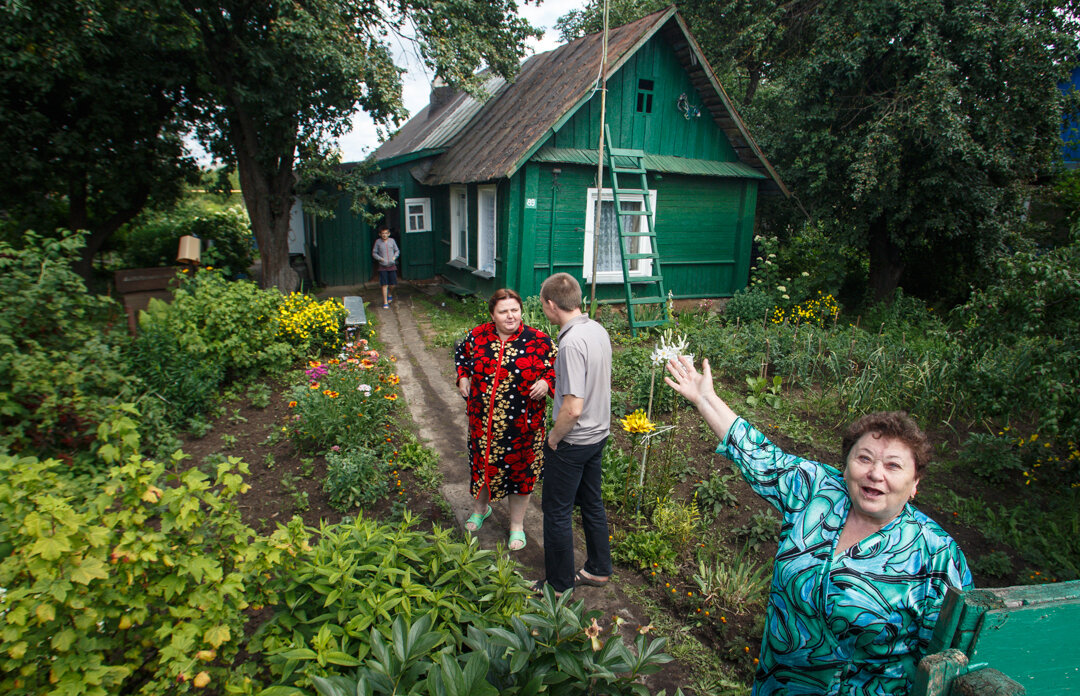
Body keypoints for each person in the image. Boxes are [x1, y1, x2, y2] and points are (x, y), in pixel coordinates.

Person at [664, 355, 973, 695]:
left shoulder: (936, 556)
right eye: (864, 458)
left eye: (893, 465)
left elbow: (947, 662)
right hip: (778, 686)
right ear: (846, 466)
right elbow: (758, 454)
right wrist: (705, 397)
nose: (875, 473)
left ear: (915, 483)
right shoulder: (818, 493)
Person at [454, 289, 555, 551]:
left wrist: (547, 381)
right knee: (481, 465)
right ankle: (480, 509)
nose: (510, 316)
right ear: (492, 315)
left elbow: (558, 368)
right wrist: (463, 377)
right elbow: (462, 356)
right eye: (503, 311)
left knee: (520, 475)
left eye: (514, 310)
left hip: (523, 426)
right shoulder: (477, 336)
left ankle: (517, 526)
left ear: (521, 311)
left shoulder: (539, 341)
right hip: (482, 422)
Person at [536, 273, 613, 594]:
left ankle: (558, 586)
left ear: (552, 305)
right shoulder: (596, 329)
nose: (543, 310)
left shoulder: (569, 343)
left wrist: (553, 439)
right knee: (592, 502)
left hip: (574, 441)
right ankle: (597, 568)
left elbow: (572, 408)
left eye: (543, 305)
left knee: (556, 512)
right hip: (598, 436)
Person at [372, 227, 399, 309]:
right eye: (382, 233)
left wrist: (394, 257)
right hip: (382, 266)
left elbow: (397, 250)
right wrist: (380, 259)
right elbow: (374, 253)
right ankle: (385, 302)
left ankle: (390, 294)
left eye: (386, 233)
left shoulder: (392, 241)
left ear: (389, 234)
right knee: (384, 284)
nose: (384, 235)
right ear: (380, 234)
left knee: (392, 285)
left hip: (391, 265)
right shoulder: (378, 242)